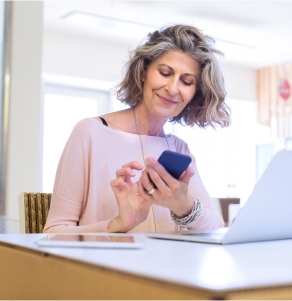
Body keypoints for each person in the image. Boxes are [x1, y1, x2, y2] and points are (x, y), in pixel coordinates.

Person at [44, 25, 229, 233]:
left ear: (195, 92)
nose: (173, 89)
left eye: (186, 81)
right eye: (165, 73)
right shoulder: (90, 133)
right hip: (103, 266)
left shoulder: (179, 149)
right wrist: (119, 224)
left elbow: (216, 227)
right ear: (143, 72)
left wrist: (184, 206)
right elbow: (54, 232)